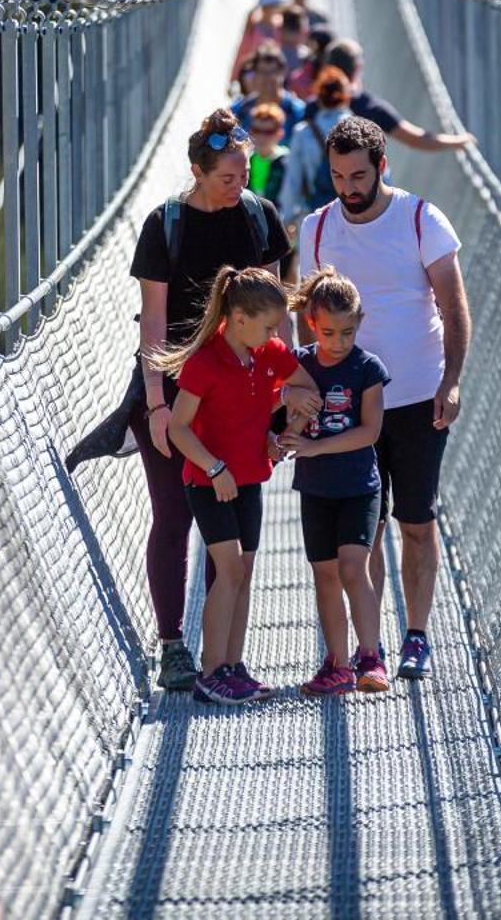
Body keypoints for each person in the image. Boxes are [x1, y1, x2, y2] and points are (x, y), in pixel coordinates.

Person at [128, 109, 294, 692]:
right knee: (173, 514)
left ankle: (228, 659)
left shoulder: (257, 216)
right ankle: (174, 645)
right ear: (197, 172)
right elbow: (153, 321)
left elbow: (275, 317)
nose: (239, 185)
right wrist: (155, 403)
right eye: (227, 176)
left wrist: (282, 399)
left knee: (235, 527)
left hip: (242, 392)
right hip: (175, 389)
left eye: (245, 173)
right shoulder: (164, 224)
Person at [299, 117, 470, 681]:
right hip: (346, 405)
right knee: (362, 528)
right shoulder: (318, 228)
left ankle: (416, 635)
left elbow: (453, 306)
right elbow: (307, 319)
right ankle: (367, 651)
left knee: (415, 520)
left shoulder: (422, 219)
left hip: (419, 397)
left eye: (358, 175)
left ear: (382, 167)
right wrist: (303, 393)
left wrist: (452, 381)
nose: (348, 187)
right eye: (338, 176)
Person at [148, 267, 322, 706]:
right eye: (267, 326)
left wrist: (283, 432)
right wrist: (213, 467)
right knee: (228, 571)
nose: (274, 334)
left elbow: (308, 388)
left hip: (250, 478)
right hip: (210, 483)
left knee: (243, 573)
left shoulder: (269, 353)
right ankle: (210, 673)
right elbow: (180, 430)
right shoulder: (204, 362)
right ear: (238, 318)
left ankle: (233, 666)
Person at [281, 269, 392, 696]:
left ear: (360, 321)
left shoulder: (368, 369)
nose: (338, 342)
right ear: (311, 323)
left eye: (347, 332)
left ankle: (371, 656)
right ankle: (337, 664)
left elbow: (369, 432)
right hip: (316, 488)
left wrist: (314, 448)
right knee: (324, 574)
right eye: (328, 332)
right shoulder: (300, 365)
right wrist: (287, 431)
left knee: (352, 567)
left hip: (359, 485)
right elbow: (287, 421)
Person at [319, 39, 472, 153]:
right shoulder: (368, 107)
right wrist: (459, 141)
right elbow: (417, 139)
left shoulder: (315, 106)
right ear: (358, 68)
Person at [280, 65, 352, 228]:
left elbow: (293, 180)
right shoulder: (360, 129)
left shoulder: (304, 132)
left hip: (315, 216)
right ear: (346, 96)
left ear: (318, 96)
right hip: (352, 217)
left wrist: (287, 218)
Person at [232, 42, 307, 136]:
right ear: (254, 74)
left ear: (283, 72)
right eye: (262, 72)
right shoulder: (239, 109)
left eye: (273, 72)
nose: (267, 78)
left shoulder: (298, 111)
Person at [246, 102, 292, 207]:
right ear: (250, 131)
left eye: (268, 132)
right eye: (257, 130)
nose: (261, 137)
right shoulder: (244, 160)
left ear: (280, 133)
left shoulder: (288, 161)